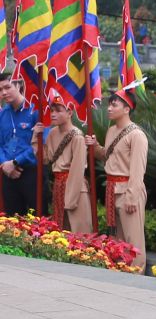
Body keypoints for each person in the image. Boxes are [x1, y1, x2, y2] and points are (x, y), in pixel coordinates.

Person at [86, 86, 148, 269]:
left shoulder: (137, 135)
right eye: (109, 105)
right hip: (112, 189)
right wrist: (95, 147)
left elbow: (138, 169)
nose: (109, 108)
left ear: (127, 109)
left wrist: (132, 196)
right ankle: (120, 272)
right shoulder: (112, 130)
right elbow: (108, 156)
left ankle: (137, 274)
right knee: (117, 238)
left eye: (114, 105)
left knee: (133, 239)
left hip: (128, 190)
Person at [33, 98, 90, 234]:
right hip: (59, 185)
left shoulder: (77, 137)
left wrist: (70, 199)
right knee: (60, 231)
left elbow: (77, 170)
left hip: (75, 188)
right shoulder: (52, 133)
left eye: (58, 111)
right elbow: (45, 159)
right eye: (52, 110)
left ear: (70, 113)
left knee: (79, 232)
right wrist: (36, 137)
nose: (53, 114)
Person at [0, 79, 40, 215]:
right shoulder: (3, 114)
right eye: (0, 90)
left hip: (32, 172)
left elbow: (40, 144)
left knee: (38, 219)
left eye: (7, 87)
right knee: (13, 219)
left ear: (19, 85)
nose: (4, 93)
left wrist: (15, 162)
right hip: (8, 173)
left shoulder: (35, 110)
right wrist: (5, 164)